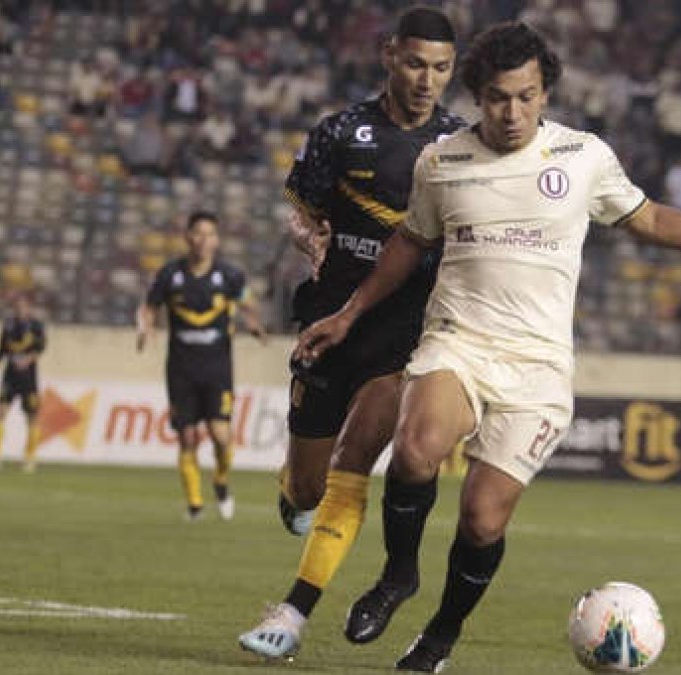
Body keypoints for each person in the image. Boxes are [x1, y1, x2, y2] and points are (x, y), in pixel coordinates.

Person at [295, 22, 681, 672]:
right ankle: (399, 575)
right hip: (459, 340)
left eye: (527, 96)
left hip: (536, 366)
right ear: (480, 96)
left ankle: (440, 636)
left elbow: (648, 217)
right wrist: (348, 312)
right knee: (418, 445)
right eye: (501, 98)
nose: (514, 112)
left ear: (545, 94)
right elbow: (408, 243)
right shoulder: (442, 161)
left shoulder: (584, 156)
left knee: (482, 518)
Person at [237, 5, 464, 661]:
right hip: (331, 324)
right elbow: (298, 211)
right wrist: (311, 239)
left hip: (405, 335)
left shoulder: (457, 148)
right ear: (390, 55)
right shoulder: (341, 131)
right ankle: (290, 488)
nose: (428, 79)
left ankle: (291, 611)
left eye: (442, 68)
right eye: (417, 63)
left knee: (351, 465)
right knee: (308, 485)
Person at [136, 211, 267, 521]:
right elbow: (149, 305)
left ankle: (220, 480)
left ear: (217, 240)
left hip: (217, 367)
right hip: (181, 368)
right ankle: (195, 504)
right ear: (187, 237)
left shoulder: (230, 276)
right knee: (186, 437)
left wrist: (253, 322)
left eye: (210, 234)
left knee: (221, 436)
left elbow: (247, 300)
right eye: (198, 234)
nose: (204, 240)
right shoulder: (170, 275)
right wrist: (145, 325)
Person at [0, 294, 46, 473]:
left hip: (28, 378)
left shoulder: (36, 326)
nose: (20, 310)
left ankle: (29, 459)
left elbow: (41, 347)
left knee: (32, 418)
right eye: (17, 306)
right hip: (10, 376)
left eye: (24, 306)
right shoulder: (8, 325)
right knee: (0, 412)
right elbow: (1, 349)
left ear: (29, 308)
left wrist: (28, 359)